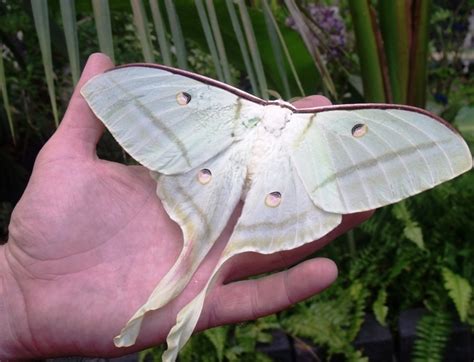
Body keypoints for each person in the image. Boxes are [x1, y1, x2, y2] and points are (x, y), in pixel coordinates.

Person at [0, 53, 373, 359]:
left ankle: (163, 323)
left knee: (209, 255)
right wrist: (17, 292)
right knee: (201, 253)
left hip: (229, 178)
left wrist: (18, 293)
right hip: (213, 176)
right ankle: (164, 327)